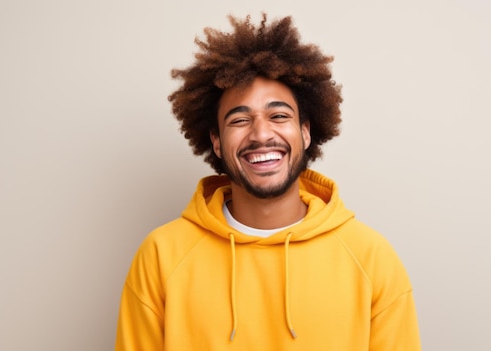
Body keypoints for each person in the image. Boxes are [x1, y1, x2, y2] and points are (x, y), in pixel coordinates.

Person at [115, 13, 421, 350]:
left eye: (278, 116)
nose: (261, 134)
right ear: (216, 141)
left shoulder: (371, 258)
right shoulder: (161, 256)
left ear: (305, 132)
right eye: (240, 120)